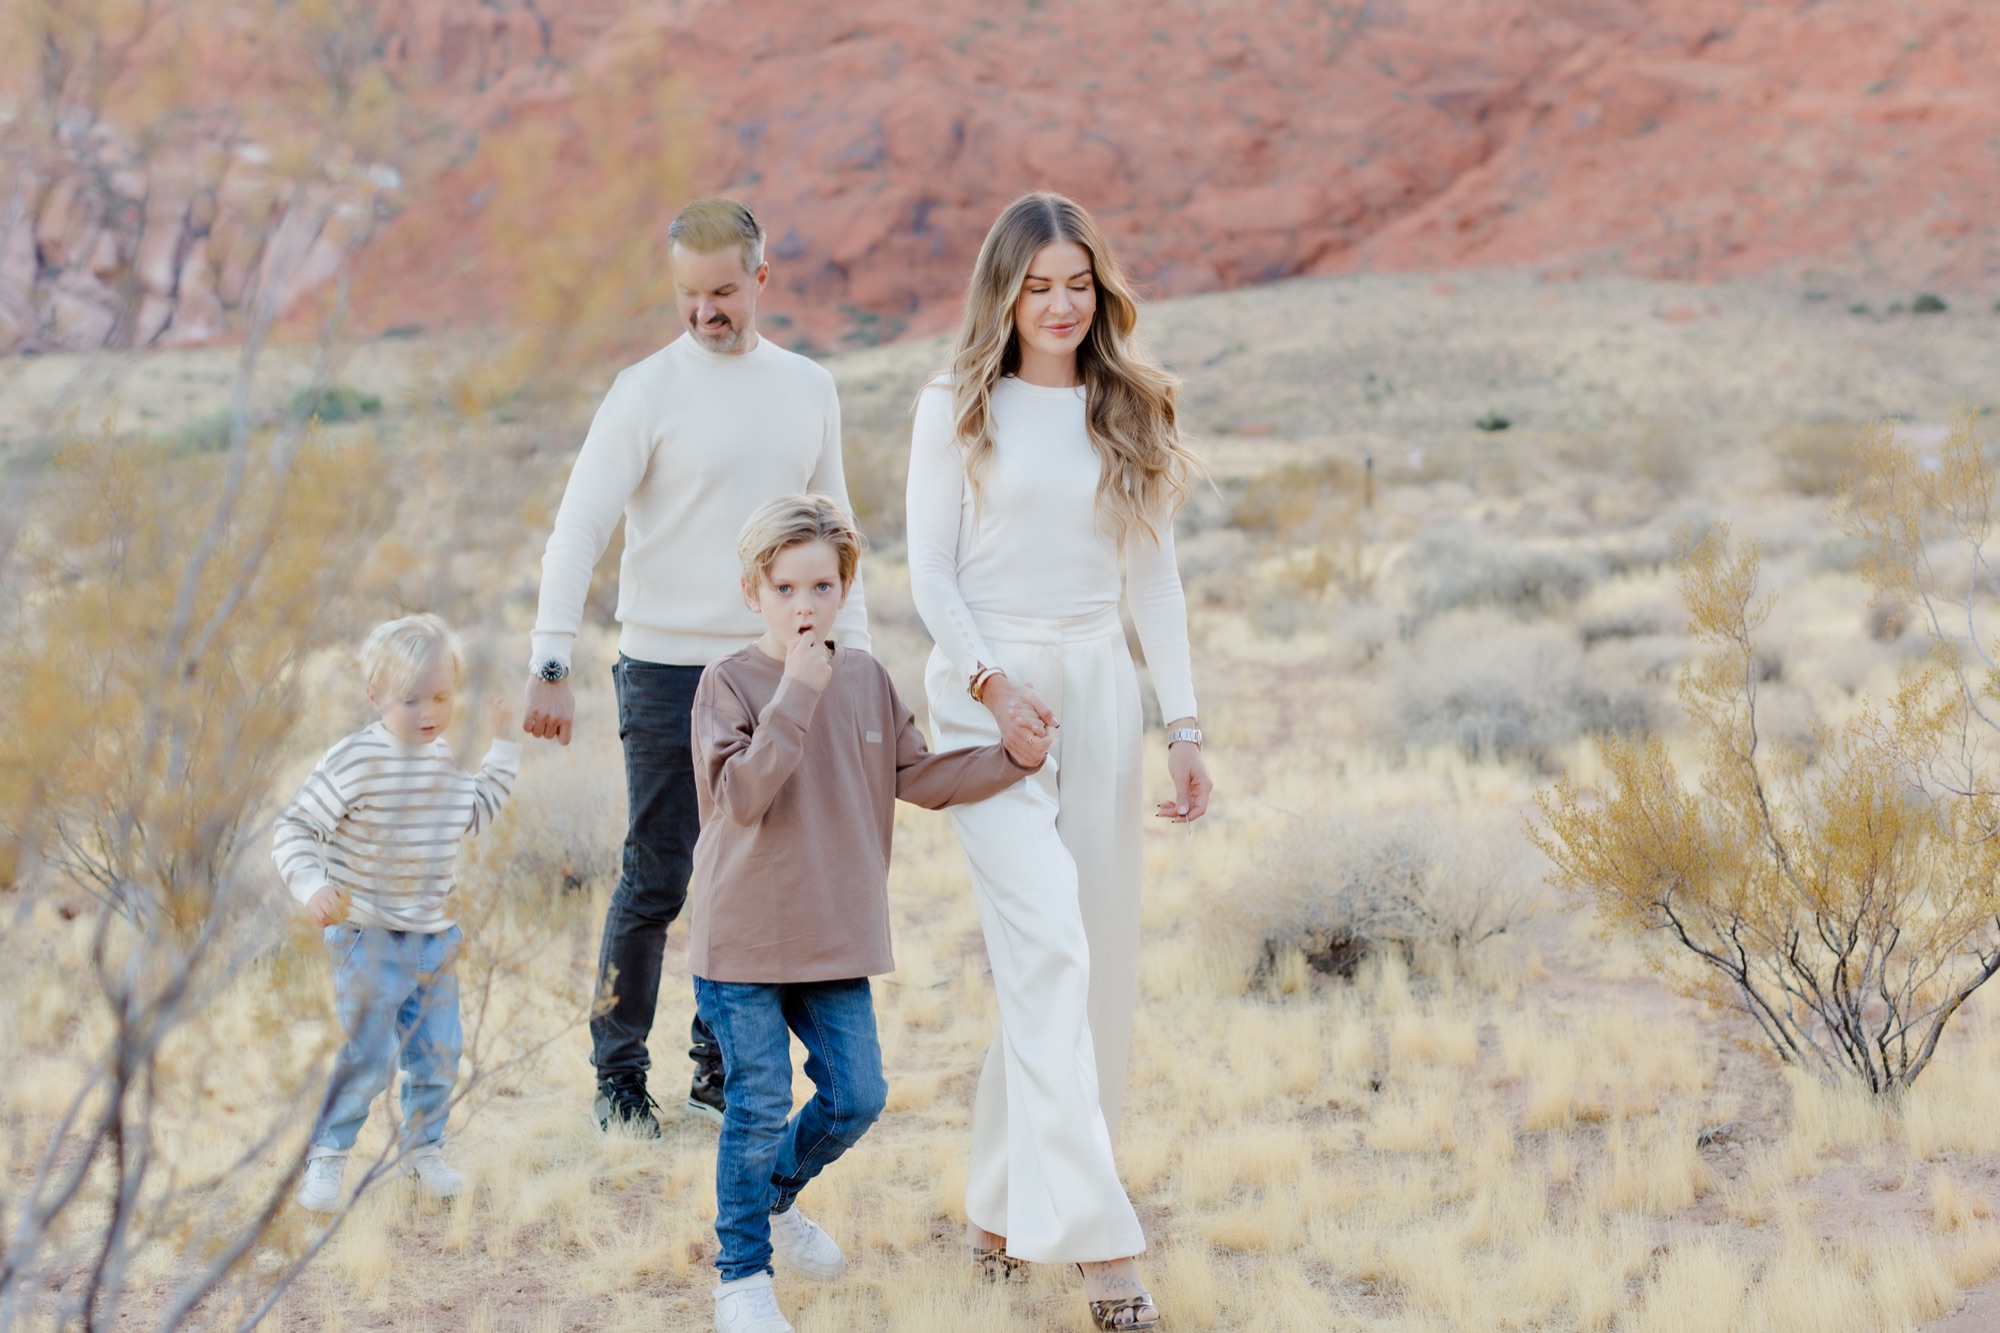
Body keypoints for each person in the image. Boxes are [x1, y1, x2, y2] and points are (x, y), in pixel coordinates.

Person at [905, 192, 1214, 1331]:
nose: (1059, 303)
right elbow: (928, 574)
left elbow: (1154, 582)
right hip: (985, 701)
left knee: (1087, 964)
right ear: (1003, 291)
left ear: (1099, 289)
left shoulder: (1124, 406)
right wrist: (992, 685)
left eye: (1076, 282)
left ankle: (995, 1207)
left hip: (1096, 693)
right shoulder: (955, 404)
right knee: (1043, 953)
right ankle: (1101, 1247)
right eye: (1036, 285)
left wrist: (1180, 728)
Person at [523, 198, 871, 1137]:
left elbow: (838, 540)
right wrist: (550, 658)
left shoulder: (809, 389)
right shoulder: (643, 391)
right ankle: (617, 1076)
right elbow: (579, 527)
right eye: (686, 293)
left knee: (758, 874)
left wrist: (854, 666)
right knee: (658, 874)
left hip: (775, 670)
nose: (704, 310)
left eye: (722, 291)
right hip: (667, 670)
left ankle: (719, 1067)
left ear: (761, 279)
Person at [691, 495, 1043, 1333]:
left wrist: (1011, 759)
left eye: (821, 585)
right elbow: (740, 796)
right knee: (759, 1100)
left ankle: (774, 1198)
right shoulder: (728, 683)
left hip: (833, 935)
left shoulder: (865, 678)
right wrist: (795, 696)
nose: (804, 605)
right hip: (742, 938)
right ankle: (741, 1275)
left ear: (846, 586)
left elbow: (917, 776)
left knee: (858, 1095)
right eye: (784, 588)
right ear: (753, 593)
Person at [275, 613, 519, 1213]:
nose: (429, 711)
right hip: (368, 935)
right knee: (370, 1053)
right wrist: (311, 885)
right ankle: (327, 1158)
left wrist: (504, 743)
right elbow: (295, 827)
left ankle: (422, 1150)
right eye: (411, 699)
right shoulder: (355, 759)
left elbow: (480, 809)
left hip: (434, 937)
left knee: (439, 1052)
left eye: (441, 696)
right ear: (375, 695)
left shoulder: (441, 761)